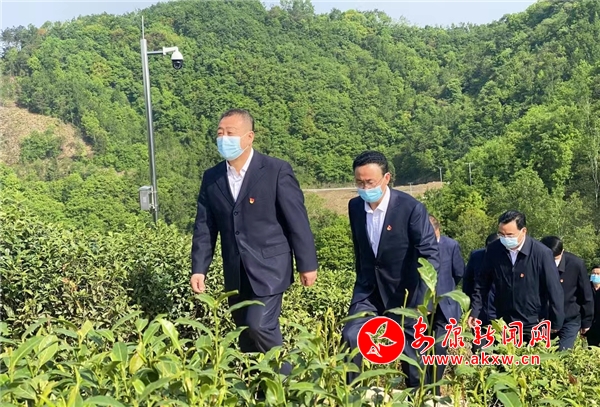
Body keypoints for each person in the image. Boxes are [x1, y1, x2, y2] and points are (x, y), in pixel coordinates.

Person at [190, 108, 318, 377]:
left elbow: (297, 220)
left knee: (259, 325)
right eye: (220, 133)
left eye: (230, 133)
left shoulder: (275, 170)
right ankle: (259, 390)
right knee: (245, 336)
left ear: (249, 137)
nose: (223, 138)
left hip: (270, 267)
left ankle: (288, 382)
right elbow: (205, 227)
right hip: (235, 271)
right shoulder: (212, 177)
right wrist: (199, 268)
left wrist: (307, 264)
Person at [341, 150, 441, 391]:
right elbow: (360, 249)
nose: (365, 188)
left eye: (370, 182)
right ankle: (353, 395)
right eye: (359, 183)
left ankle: (420, 397)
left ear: (386, 178)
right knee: (351, 336)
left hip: (405, 294)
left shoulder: (411, 208)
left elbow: (429, 254)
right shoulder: (355, 206)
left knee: (412, 358)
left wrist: (424, 298)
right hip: (369, 291)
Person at [469, 210, 565, 345]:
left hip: (533, 322)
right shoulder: (494, 250)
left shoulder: (541, 253)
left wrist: (556, 321)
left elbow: (554, 289)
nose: (505, 238)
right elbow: (482, 283)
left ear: (523, 231)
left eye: (510, 235)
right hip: (502, 321)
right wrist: (475, 311)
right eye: (501, 234)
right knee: (502, 357)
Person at [428, 215, 464, 385]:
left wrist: (446, 288)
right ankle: (422, 386)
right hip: (423, 306)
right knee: (420, 346)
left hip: (445, 305)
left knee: (440, 347)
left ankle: (434, 386)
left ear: (438, 230)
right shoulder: (415, 244)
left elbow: (459, 272)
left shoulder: (450, 245)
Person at [540, 236, 594, 350]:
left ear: (562, 252)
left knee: (563, 352)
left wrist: (586, 321)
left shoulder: (576, 264)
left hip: (569, 318)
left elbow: (586, 294)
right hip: (544, 319)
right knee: (542, 352)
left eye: (555, 258)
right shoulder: (535, 262)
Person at [462, 233, 500, 352]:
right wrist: (471, 308)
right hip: (480, 311)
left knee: (501, 349)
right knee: (479, 349)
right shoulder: (477, 257)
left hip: (501, 313)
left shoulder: (509, 259)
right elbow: (468, 282)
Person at [584, 265, 600, 347]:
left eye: (598, 274)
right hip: (590, 323)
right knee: (591, 347)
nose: (595, 276)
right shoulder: (586, 288)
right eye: (593, 273)